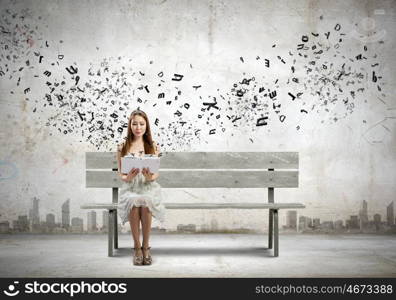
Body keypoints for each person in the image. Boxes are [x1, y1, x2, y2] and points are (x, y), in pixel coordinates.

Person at [116, 109, 165, 266]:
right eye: (135, 123)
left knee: (145, 201)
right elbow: (121, 173)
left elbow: (155, 175)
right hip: (131, 188)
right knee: (134, 201)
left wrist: (149, 176)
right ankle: (137, 247)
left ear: (146, 126)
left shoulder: (153, 146)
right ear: (130, 125)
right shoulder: (123, 146)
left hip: (147, 186)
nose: (138, 127)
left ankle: (146, 247)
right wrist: (127, 177)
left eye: (142, 124)